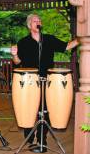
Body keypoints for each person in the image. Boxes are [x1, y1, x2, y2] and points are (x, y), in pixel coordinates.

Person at [11, 13, 78, 153]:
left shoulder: (49, 39)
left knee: (44, 111)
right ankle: (29, 138)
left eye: (39, 20)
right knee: (30, 110)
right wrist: (14, 54)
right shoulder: (23, 42)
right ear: (30, 25)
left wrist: (81, 39)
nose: (38, 21)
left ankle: (42, 140)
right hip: (29, 81)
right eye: (35, 20)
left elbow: (66, 46)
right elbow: (17, 62)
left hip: (48, 81)